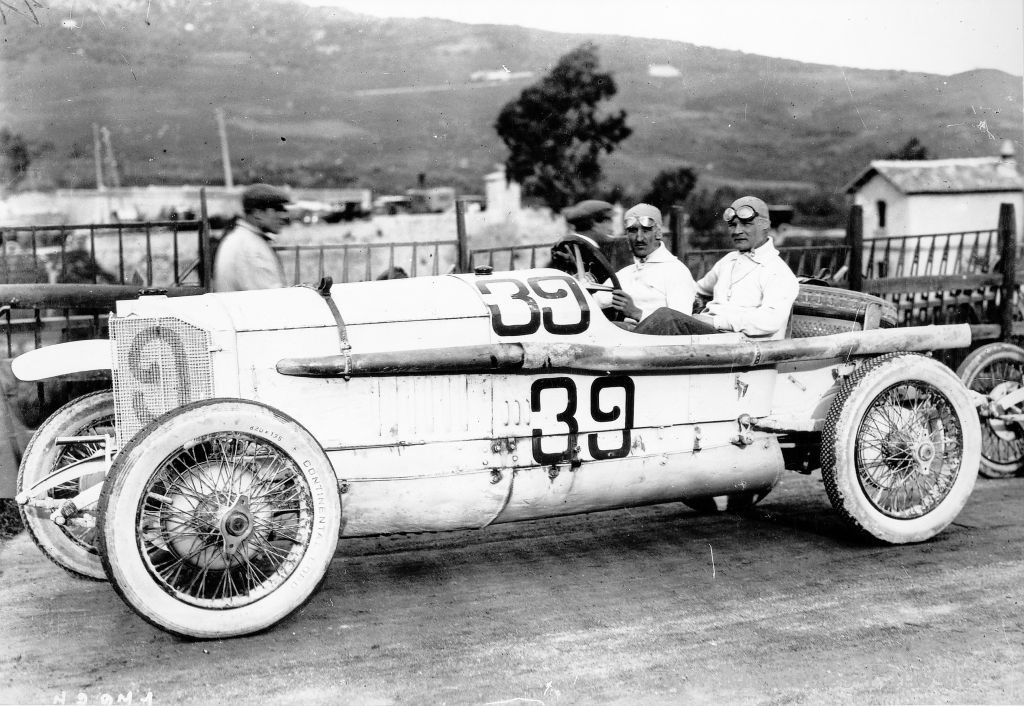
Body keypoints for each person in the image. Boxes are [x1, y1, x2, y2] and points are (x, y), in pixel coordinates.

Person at [632, 196, 800, 339]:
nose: (737, 231)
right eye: (733, 225)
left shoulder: (777, 271)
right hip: (709, 336)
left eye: (746, 224)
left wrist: (715, 321)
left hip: (738, 343)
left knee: (667, 318)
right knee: (625, 326)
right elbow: (696, 289)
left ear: (764, 225)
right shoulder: (729, 261)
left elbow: (771, 320)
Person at [595, 203, 697, 326]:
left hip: (656, 337)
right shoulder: (625, 274)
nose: (639, 238)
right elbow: (595, 301)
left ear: (658, 233)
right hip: (624, 333)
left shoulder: (676, 271)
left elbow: (681, 325)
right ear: (627, 236)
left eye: (646, 230)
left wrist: (637, 313)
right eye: (633, 231)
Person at [213, 184, 291, 292]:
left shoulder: (241, 238)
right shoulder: (251, 247)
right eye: (277, 209)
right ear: (258, 213)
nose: (284, 216)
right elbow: (271, 297)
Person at [549, 199, 632, 284]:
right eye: (609, 221)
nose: (612, 228)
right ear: (594, 224)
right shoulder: (572, 250)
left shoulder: (581, 247)